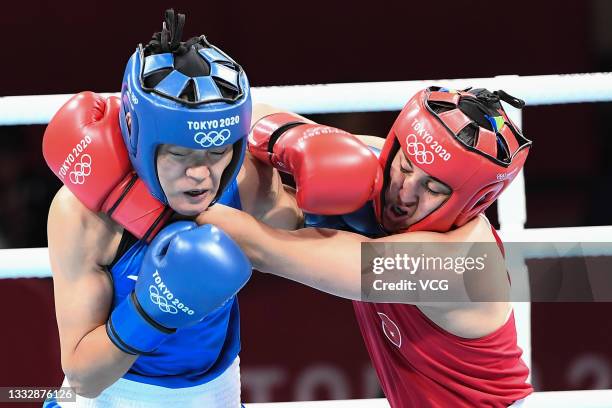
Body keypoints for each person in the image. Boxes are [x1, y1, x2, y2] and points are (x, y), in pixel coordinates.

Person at [41, 9, 382, 407]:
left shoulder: (245, 179)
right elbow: (83, 378)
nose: (201, 174)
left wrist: (305, 145)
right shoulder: (82, 214)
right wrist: (151, 310)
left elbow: (359, 198)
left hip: (216, 394)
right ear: (139, 138)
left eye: (218, 150)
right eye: (181, 154)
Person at [198, 87, 534, 407]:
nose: (404, 193)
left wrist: (172, 198)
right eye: (405, 166)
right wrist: (287, 138)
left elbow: (264, 249)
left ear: (472, 203)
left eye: (432, 188)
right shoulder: (383, 169)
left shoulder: (449, 265)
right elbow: (254, 119)